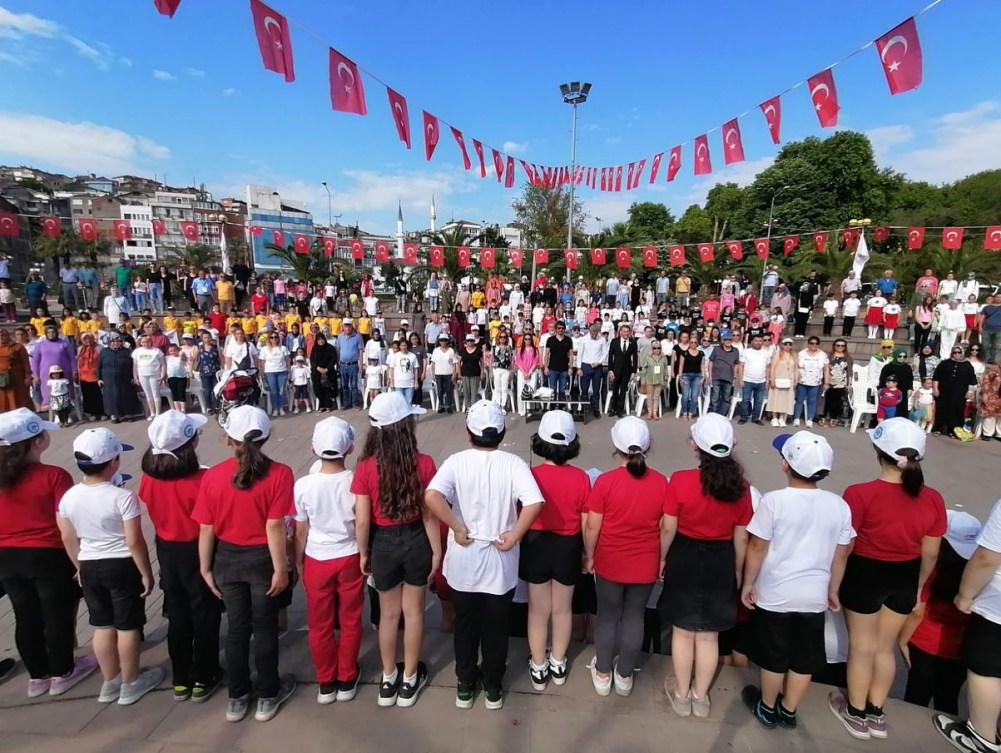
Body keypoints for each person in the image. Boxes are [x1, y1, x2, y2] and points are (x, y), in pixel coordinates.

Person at [424, 400, 544, 710]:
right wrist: (515, 534)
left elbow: (432, 496)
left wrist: (456, 526)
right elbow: (534, 502)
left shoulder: (456, 461)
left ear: (468, 434)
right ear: (501, 433)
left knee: (465, 625)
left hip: (464, 560)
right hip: (499, 561)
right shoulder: (513, 463)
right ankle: (493, 687)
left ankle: (465, 685)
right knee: (496, 627)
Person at [832, 418, 946, 741]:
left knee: (862, 647)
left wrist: (834, 584)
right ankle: (876, 713)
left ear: (878, 452)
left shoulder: (859, 493)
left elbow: (846, 546)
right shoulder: (933, 498)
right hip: (905, 575)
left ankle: (856, 713)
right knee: (885, 648)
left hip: (865, 572)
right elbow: (931, 552)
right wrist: (919, 587)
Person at [741, 431, 853, 730]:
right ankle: (789, 709)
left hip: (775, 592)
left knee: (774, 656)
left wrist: (748, 583)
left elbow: (757, 546)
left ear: (785, 465)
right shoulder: (839, 505)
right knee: (804, 658)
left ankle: (767, 706)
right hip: (814, 595)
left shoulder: (774, 501)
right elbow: (841, 553)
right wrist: (833, 589)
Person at [193, 406, 297, 723]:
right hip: (262, 558)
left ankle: (237, 696)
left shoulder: (212, 476)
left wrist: (205, 567)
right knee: (264, 628)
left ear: (229, 439)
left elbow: (206, 528)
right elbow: (274, 525)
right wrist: (281, 568)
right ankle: (268, 693)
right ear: (265, 437)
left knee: (237, 629)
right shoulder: (280, 473)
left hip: (226, 558)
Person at [57, 428, 164, 705]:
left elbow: (67, 536)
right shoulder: (122, 497)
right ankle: (131, 682)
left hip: (89, 564)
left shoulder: (68, 497)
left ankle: (110, 681)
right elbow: (134, 541)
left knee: (102, 624)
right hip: (120, 564)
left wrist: (78, 565)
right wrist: (145, 572)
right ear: (113, 463)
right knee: (128, 626)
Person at [0, 409, 99, 699]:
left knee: (25, 615)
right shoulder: (54, 475)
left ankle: (37, 676)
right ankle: (63, 671)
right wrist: (78, 561)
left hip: (6, 557)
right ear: (38, 441)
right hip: (47, 555)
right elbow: (66, 524)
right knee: (56, 614)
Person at [661, 414, 751, 718]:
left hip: (685, 553)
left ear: (694, 446)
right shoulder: (742, 488)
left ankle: (681, 694)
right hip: (721, 556)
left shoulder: (680, 480)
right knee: (710, 635)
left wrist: (662, 558)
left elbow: (668, 528)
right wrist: (737, 569)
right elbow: (741, 536)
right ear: (732, 445)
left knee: (683, 631)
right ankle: (701, 697)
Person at [353, 394, 439, 707]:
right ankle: (410, 677)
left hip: (383, 542)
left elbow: (363, 520)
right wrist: (436, 550)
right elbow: (429, 513)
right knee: (414, 613)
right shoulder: (424, 463)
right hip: (416, 538)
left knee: (388, 615)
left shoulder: (365, 467)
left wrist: (364, 552)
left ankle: (389, 677)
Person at [138, 411, 222, 702]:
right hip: (198, 549)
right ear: (191, 444)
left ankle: (181, 678)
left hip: (167, 550)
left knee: (177, 614)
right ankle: (205, 675)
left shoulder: (148, 479)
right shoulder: (203, 479)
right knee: (205, 615)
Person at [583, 417, 670, 697]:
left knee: (607, 617)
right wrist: (662, 558)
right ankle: (624, 675)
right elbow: (665, 526)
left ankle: (603, 673)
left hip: (610, 560)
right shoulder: (661, 482)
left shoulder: (605, 482)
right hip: (645, 561)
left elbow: (592, 525)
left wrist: (589, 555)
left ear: (616, 446)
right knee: (635, 617)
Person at [294, 417, 364, 704]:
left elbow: (301, 530)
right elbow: (361, 524)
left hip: (317, 557)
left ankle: (326, 681)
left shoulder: (303, 485)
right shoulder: (355, 482)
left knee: (319, 623)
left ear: (313, 449)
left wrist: (298, 562)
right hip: (349, 555)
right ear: (350, 448)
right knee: (350, 619)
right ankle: (347, 676)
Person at [521, 411, 590, 690]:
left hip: (536, 543)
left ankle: (538, 665)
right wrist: (588, 553)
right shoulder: (581, 478)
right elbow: (586, 521)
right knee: (563, 609)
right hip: (568, 545)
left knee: (538, 611)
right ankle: (558, 662)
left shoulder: (530, 475)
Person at [934, 497, 1001, 753]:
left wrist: (965, 594)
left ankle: (982, 738)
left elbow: (986, 557)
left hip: (997, 608)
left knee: (986, 668)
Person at [899, 511, 981, 714]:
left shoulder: (933, 570)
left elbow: (917, 611)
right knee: (948, 698)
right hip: (961, 649)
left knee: (916, 695)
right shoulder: (980, 577)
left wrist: (902, 641)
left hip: (924, 643)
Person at [933, 346, 978, 437]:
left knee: (957, 410)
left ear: (962, 353)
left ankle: (953, 430)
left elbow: (972, 380)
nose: (957, 354)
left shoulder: (967, 365)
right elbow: (936, 377)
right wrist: (935, 388)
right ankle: (938, 428)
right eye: (955, 352)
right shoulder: (945, 363)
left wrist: (970, 391)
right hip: (944, 392)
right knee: (942, 409)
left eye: (959, 352)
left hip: (960, 393)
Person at [29, 324, 75, 412]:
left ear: (56, 333)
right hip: (46, 375)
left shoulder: (65, 343)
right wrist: (35, 374)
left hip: (64, 373)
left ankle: (66, 414)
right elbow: (35, 361)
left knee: (65, 394)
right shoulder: (40, 345)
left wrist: (74, 371)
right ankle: (54, 414)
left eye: (53, 332)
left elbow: (72, 358)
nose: (51, 334)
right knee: (50, 395)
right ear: (46, 334)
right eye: (49, 332)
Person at [98, 333, 142, 423]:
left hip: (125, 378)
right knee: (112, 397)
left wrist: (133, 376)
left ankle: (129, 414)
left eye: (118, 341)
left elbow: (132, 365)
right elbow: (99, 365)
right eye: (113, 341)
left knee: (126, 395)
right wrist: (99, 378)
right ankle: (115, 416)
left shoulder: (127, 351)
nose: (115, 343)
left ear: (121, 342)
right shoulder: (104, 352)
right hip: (109, 379)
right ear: (109, 342)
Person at [793, 336, 828, 427]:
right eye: (812, 343)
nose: (814, 345)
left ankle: (809, 419)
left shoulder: (823, 355)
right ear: (808, 344)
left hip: (815, 382)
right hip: (802, 381)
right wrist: (795, 379)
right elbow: (796, 367)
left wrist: (826, 382)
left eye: (816, 343)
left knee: (812, 401)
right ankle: (797, 418)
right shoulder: (801, 354)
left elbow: (826, 369)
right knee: (799, 400)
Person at [131, 334, 166, 421]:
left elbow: (163, 364)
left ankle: (158, 413)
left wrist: (163, 375)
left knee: (155, 393)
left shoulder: (157, 351)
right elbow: (135, 366)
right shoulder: (137, 352)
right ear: (140, 343)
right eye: (143, 342)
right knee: (148, 394)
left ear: (151, 342)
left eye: (147, 342)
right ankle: (152, 413)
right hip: (143, 375)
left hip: (155, 374)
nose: (145, 344)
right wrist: (135, 377)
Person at [607, 324, 637, 418]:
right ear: (620, 332)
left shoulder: (633, 342)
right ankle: (613, 408)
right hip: (616, 370)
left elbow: (635, 358)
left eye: (627, 332)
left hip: (627, 371)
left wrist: (634, 371)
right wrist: (610, 370)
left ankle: (620, 409)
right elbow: (610, 356)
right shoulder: (614, 341)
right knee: (615, 389)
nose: (626, 333)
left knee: (623, 390)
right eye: (624, 331)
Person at [708, 329, 740, 416]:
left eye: (730, 339)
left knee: (726, 398)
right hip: (716, 377)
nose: (728, 341)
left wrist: (734, 377)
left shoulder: (736, 351)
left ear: (732, 341)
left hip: (729, 378)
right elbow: (711, 362)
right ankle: (713, 415)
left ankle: (722, 416)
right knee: (715, 398)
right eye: (726, 339)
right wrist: (710, 376)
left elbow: (736, 364)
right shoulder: (716, 349)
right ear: (723, 340)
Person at [258, 331, 291, 417]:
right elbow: (262, 362)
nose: (274, 339)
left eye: (276, 337)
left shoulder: (283, 348)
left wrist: (289, 371)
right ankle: (275, 408)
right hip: (269, 372)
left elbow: (287, 360)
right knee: (274, 391)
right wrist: (261, 373)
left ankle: (281, 407)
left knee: (282, 390)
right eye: (272, 337)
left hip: (282, 371)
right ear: (269, 339)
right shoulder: (265, 349)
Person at [677, 334, 706, 421]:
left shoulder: (701, 353)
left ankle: (691, 413)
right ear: (689, 343)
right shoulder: (684, 353)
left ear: (697, 343)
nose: (693, 344)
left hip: (697, 376)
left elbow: (702, 365)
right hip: (686, 376)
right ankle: (684, 412)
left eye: (695, 342)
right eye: (692, 342)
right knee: (685, 396)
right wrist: (680, 378)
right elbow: (681, 365)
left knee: (694, 396)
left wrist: (703, 377)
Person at [514, 327, 542, 417]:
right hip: (522, 372)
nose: (527, 341)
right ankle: (522, 409)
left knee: (531, 390)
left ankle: (529, 409)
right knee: (521, 390)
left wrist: (529, 372)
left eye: (529, 339)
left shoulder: (535, 350)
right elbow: (518, 362)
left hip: (532, 372)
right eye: (525, 339)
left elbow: (536, 361)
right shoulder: (519, 350)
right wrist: (524, 372)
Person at [337, 319, 364, 410]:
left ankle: (355, 403)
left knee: (353, 385)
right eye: (346, 326)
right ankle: (345, 403)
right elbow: (338, 350)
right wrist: (337, 362)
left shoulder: (357, 337)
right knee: (344, 385)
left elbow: (360, 351)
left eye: (349, 326)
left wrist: (361, 364)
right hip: (343, 364)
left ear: (352, 327)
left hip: (353, 364)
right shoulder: (340, 337)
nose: (347, 328)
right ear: (343, 327)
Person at [638, 338, 668, 420]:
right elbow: (644, 369)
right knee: (650, 396)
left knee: (656, 397)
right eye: (654, 348)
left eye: (658, 348)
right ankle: (649, 412)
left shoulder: (664, 358)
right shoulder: (648, 357)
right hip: (649, 379)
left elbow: (665, 369)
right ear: (652, 348)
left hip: (659, 380)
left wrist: (665, 380)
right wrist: (643, 380)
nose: (657, 350)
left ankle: (655, 413)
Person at [430, 334, 458, 414]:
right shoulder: (436, 350)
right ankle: (441, 405)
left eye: (445, 340)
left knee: (449, 390)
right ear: (439, 341)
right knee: (440, 390)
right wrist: (433, 373)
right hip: (438, 373)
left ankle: (449, 405)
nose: (443, 342)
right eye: (441, 340)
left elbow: (454, 363)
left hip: (449, 373)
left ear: (447, 341)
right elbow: (433, 363)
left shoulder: (451, 350)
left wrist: (454, 373)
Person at [309, 333, 338, 412]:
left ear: (324, 339)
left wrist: (326, 369)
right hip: (317, 371)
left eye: (322, 339)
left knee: (328, 387)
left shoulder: (330, 348)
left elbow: (333, 359)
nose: (321, 341)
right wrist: (318, 368)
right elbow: (312, 361)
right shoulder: (314, 349)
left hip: (328, 371)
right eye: (319, 340)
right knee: (318, 386)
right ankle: (322, 405)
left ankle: (328, 405)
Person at [386, 336, 419, 405]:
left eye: (405, 345)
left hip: (410, 384)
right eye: (402, 346)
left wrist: (416, 382)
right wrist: (392, 382)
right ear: (399, 346)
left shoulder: (412, 356)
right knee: (400, 403)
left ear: (407, 346)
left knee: (408, 403)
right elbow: (391, 370)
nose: (403, 347)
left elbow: (415, 369)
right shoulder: (395, 356)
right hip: (398, 384)